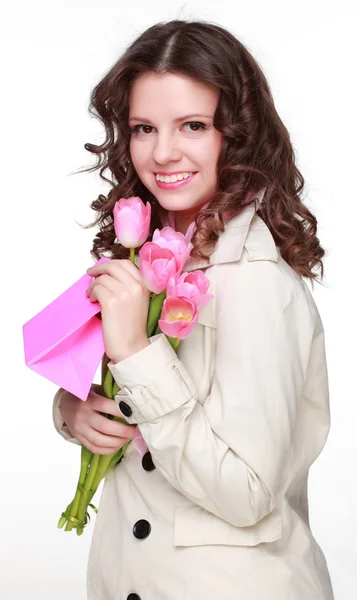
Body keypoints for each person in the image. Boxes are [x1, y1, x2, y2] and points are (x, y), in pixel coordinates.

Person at [52, 19, 335, 600]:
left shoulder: (256, 282)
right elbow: (125, 404)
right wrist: (72, 413)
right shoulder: (155, 258)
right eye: (143, 128)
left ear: (239, 134)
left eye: (193, 126)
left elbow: (247, 494)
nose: (162, 152)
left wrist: (135, 353)